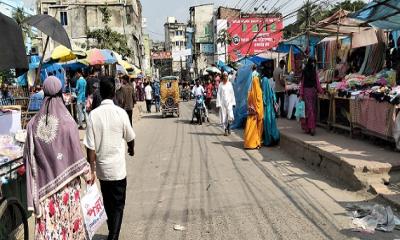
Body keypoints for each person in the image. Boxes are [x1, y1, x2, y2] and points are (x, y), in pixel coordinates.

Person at [24, 76, 90, 239]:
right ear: (61, 93)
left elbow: (29, 158)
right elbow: (76, 152)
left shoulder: (32, 124)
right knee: (69, 230)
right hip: (68, 190)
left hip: (45, 192)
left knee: (52, 232)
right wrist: (88, 174)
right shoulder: (69, 122)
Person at [84, 77, 135, 240]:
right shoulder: (120, 113)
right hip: (118, 169)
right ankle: (113, 235)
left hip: (102, 171)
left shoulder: (93, 115)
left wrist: (91, 169)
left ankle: (112, 232)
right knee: (118, 205)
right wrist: (131, 148)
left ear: (100, 92)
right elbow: (130, 137)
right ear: (114, 92)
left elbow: (90, 147)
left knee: (108, 202)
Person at [300, 58, 324, 136]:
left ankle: (310, 127)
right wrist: (301, 94)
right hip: (307, 92)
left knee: (311, 110)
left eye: (314, 62)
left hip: (312, 93)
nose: (313, 64)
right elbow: (302, 84)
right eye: (312, 62)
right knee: (309, 110)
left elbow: (317, 83)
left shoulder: (313, 72)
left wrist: (321, 91)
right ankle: (311, 128)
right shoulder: (307, 71)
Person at [244, 65, 264, 149]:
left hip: (251, 113)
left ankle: (251, 143)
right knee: (257, 129)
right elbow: (260, 102)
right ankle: (257, 142)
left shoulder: (250, 92)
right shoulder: (259, 91)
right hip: (257, 113)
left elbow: (248, 101)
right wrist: (259, 111)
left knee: (250, 129)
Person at [261, 76, 280, 146]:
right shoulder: (271, 90)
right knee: (272, 124)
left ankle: (268, 141)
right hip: (271, 111)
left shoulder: (263, 92)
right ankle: (274, 138)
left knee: (267, 126)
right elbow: (274, 99)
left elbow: (263, 101)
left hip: (266, 111)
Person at [216, 72, 236, 136]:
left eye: (226, 76)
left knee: (230, 116)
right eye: (224, 76)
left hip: (229, 103)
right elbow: (218, 94)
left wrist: (233, 103)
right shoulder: (220, 85)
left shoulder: (230, 84)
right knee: (224, 117)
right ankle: (226, 130)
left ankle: (229, 126)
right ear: (222, 77)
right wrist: (218, 104)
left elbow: (232, 93)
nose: (225, 77)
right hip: (222, 103)